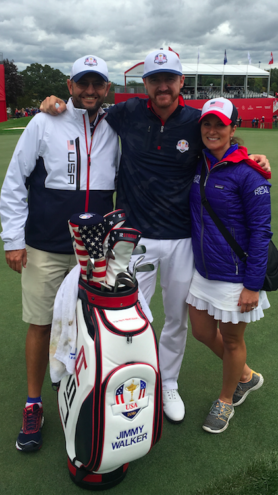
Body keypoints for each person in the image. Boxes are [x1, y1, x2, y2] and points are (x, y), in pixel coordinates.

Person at [40, 49, 270, 425]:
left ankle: (168, 384)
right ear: (145, 84)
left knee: (177, 321)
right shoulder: (126, 113)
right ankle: (128, 381)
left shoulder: (197, 122)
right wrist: (53, 102)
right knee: (129, 315)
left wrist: (254, 157)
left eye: (170, 78)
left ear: (181, 82)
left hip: (182, 240)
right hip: (135, 238)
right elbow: (85, 108)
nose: (162, 85)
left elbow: (224, 146)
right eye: (155, 79)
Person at [0, 55, 119, 452]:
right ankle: (34, 402)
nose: (89, 91)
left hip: (94, 249)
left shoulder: (115, 126)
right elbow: (15, 181)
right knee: (40, 324)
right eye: (82, 83)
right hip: (45, 246)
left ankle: (90, 393)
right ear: (69, 85)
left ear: (106, 89)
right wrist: (12, 239)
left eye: (96, 84)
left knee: (94, 325)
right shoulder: (43, 121)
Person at [186, 98, 271, 433]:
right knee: (203, 333)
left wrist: (252, 284)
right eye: (207, 124)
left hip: (236, 277)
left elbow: (261, 231)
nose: (212, 130)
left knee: (232, 340)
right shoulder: (197, 163)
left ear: (233, 128)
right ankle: (247, 376)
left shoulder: (249, 172)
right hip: (203, 270)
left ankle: (225, 401)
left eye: (220, 124)